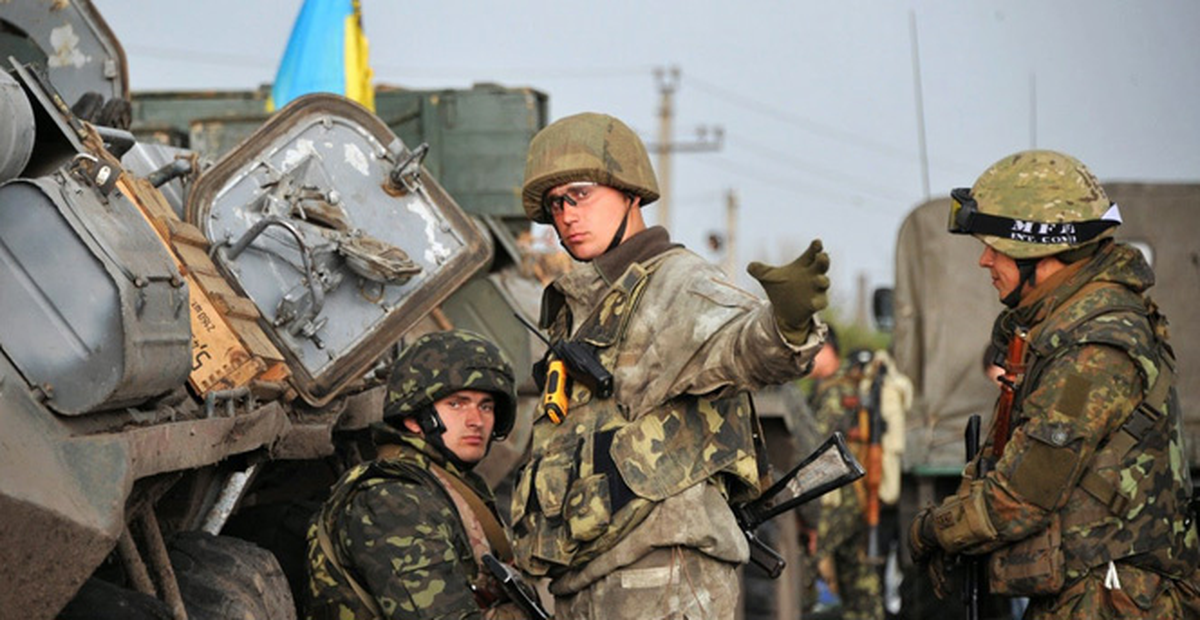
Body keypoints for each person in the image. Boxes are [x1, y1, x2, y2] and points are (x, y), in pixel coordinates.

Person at [509, 112, 831, 618]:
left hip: (662, 580)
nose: (566, 214)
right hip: (590, 581)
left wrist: (786, 325)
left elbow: (744, 345)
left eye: (581, 194)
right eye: (555, 204)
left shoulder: (676, 283)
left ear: (629, 192)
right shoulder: (582, 304)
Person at [907, 150, 1200, 618]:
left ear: (1039, 252)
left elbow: (1018, 499)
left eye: (995, 246)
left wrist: (931, 531)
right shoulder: (1063, 331)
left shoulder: (1093, 349)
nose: (984, 261)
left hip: (1112, 601)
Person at [305, 330, 528, 620]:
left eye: (486, 406)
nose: (476, 421)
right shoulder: (393, 500)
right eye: (457, 404)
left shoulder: (444, 487)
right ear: (415, 418)